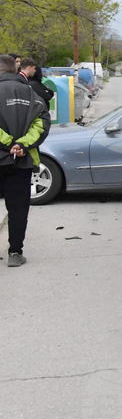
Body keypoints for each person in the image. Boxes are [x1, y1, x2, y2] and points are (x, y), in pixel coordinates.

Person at [0, 54, 51, 267]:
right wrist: (21, 145)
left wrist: (8, 143)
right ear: (15, 69)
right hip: (21, 161)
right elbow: (42, 122)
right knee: (18, 208)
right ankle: (15, 252)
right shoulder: (31, 93)